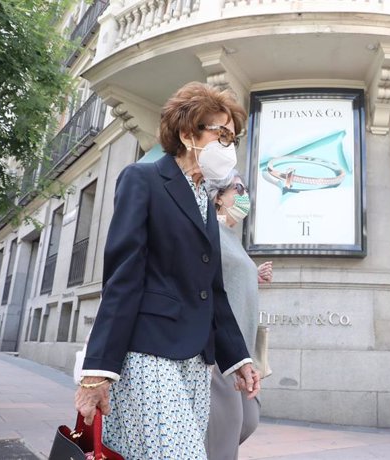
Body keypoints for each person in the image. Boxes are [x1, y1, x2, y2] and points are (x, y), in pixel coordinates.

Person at [74, 82, 260, 459]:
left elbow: (214, 291)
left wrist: (238, 358)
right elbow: (122, 277)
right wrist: (97, 371)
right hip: (149, 353)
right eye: (220, 133)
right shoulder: (141, 179)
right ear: (187, 132)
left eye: (233, 137)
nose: (228, 146)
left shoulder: (206, 202)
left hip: (196, 362)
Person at [204, 171, 272, 459]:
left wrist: (252, 274)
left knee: (248, 419)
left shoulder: (233, 238)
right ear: (218, 197)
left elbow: (227, 277)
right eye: (238, 189)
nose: (244, 197)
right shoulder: (209, 229)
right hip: (220, 347)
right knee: (228, 426)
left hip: (242, 349)